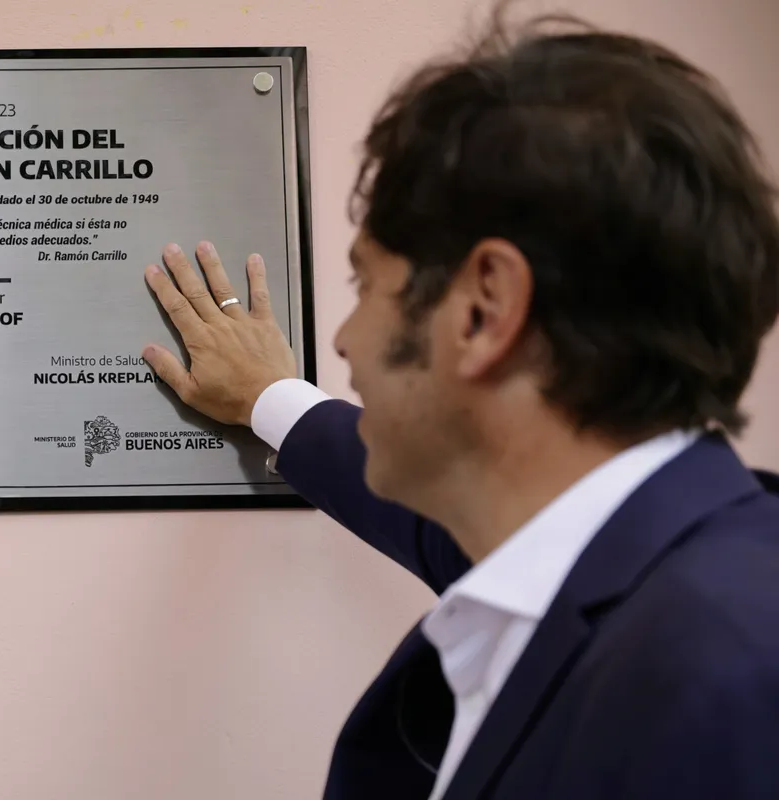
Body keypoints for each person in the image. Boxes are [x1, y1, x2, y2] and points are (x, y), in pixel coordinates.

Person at [139, 7, 779, 800]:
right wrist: (272, 399)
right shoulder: (604, 556)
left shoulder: (719, 666)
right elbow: (437, 521)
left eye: (367, 284)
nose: (342, 339)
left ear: (483, 310)